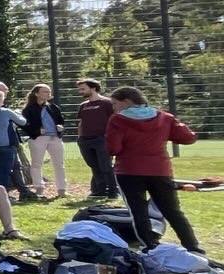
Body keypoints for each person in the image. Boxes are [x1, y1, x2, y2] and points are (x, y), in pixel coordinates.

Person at [106, 87, 203, 253]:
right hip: (159, 170)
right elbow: (188, 137)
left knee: (138, 212)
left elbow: (113, 148)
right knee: (172, 211)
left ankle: (149, 246)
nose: (113, 108)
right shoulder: (165, 117)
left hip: (129, 170)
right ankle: (192, 246)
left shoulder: (118, 120)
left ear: (126, 101)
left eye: (115, 104)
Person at [22, 84, 68, 198]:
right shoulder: (28, 109)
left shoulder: (53, 107)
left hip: (55, 138)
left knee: (59, 164)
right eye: (45, 91)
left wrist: (60, 127)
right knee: (36, 164)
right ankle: (39, 188)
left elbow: (61, 121)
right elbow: (25, 125)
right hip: (38, 138)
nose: (48, 94)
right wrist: (37, 131)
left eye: (49, 91)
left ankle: (62, 190)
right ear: (36, 93)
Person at [76, 79, 118, 197]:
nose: (80, 91)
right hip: (85, 140)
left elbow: (115, 120)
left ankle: (113, 191)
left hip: (102, 139)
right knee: (94, 166)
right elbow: (81, 123)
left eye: (83, 89)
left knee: (105, 166)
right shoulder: (83, 105)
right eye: (80, 89)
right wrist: (80, 138)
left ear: (93, 88)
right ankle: (99, 191)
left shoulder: (107, 103)